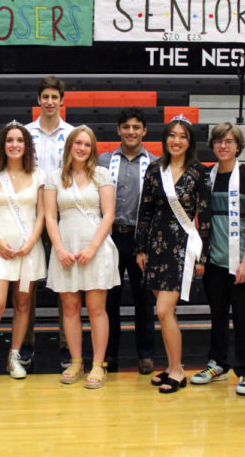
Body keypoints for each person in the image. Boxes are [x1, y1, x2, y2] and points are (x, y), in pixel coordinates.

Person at [136, 115, 211, 394]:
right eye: (172, 135)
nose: (176, 141)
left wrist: (202, 256)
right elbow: (145, 212)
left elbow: (204, 215)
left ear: (189, 141)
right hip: (156, 247)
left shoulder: (198, 172)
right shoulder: (154, 170)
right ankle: (171, 365)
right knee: (167, 314)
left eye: (182, 136)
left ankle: (178, 372)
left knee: (163, 310)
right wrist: (141, 248)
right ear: (165, 139)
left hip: (183, 247)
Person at [45, 125, 118, 389]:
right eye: (78, 143)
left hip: (95, 249)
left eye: (87, 145)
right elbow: (50, 216)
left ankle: (98, 364)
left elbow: (108, 214)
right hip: (65, 248)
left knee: (97, 309)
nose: (82, 148)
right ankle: (76, 362)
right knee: (70, 308)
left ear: (92, 149)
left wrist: (92, 248)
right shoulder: (54, 177)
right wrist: (59, 248)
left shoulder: (101, 174)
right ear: (70, 146)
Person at [190, 123, 245, 395]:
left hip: (240, 261)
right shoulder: (206, 175)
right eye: (219, 141)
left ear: (238, 146)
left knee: (243, 316)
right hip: (214, 261)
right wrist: (201, 258)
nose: (223, 146)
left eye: (229, 141)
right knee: (218, 314)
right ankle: (217, 363)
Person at [0, 122, 46, 390]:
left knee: (23, 304)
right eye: (10, 140)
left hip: (28, 250)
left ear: (27, 146)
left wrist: (30, 242)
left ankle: (14, 357)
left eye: (20, 140)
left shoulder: (38, 175)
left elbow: (41, 213)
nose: (15, 145)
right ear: (3, 145)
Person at [97, 108, 158, 374]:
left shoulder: (156, 163)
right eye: (126, 127)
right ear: (118, 130)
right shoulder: (104, 160)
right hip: (110, 237)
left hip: (140, 239)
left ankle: (145, 353)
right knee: (109, 299)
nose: (131, 132)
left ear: (144, 131)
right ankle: (109, 353)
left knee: (143, 299)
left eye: (136, 127)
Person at [24, 75, 76, 370]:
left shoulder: (71, 134)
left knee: (64, 280)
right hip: (30, 214)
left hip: (62, 214)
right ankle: (27, 343)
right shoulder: (24, 132)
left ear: (61, 101)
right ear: (39, 100)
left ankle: (67, 345)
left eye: (54, 97)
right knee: (27, 281)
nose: (49, 101)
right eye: (45, 96)